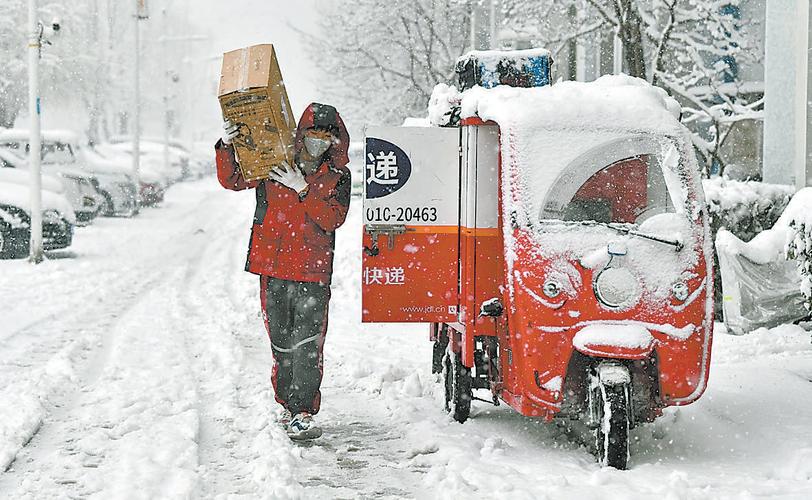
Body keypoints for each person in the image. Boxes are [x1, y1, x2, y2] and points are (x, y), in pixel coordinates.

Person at [215, 103, 351, 440]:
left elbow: (332, 218)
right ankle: (286, 402)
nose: (320, 139)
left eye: (327, 134)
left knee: (307, 343)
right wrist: (227, 145)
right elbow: (232, 179)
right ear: (301, 134)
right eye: (313, 132)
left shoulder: (337, 177)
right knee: (281, 341)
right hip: (272, 266)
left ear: (336, 140)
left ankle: (302, 409)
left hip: (312, 271)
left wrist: (303, 188)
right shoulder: (274, 161)